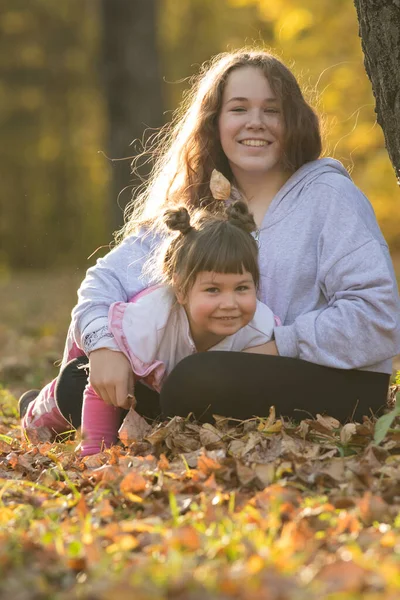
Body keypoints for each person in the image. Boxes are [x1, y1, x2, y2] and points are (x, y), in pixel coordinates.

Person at [20, 48, 400, 437]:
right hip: (220, 377)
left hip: (334, 378)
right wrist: (104, 348)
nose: (256, 123)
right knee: (83, 380)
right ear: (214, 123)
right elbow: (103, 280)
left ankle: (157, 409)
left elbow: (378, 317)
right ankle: (100, 408)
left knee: (195, 379)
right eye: (238, 109)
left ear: (294, 121)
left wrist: (274, 346)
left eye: (272, 110)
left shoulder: (328, 195)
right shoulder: (197, 205)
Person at [79, 200, 278, 455]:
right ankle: (39, 410)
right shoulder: (151, 321)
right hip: (115, 340)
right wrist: (93, 454)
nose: (230, 304)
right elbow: (103, 387)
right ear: (181, 290)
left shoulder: (260, 329)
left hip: (167, 380)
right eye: (213, 290)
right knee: (74, 392)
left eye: (241, 288)